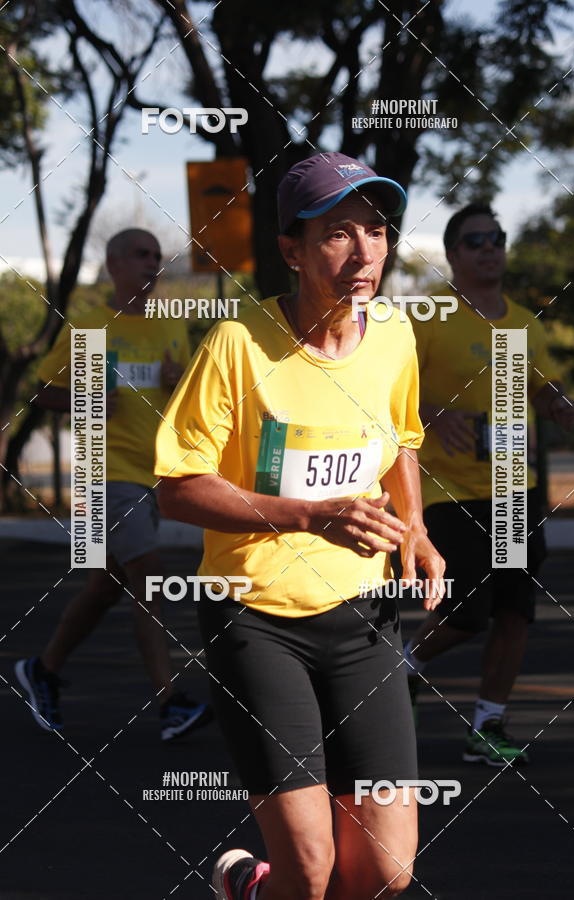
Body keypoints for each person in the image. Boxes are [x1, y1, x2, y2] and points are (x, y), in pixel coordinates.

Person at [154, 152, 446, 900]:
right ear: (292, 250)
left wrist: (412, 524)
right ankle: (259, 887)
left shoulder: (393, 336)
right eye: (338, 233)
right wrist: (310, 516)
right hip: (256, 619)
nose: (364, 252)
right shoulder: (237, 346)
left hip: (365, 620)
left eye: (376, 231)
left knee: (383, 873)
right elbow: (179, 489)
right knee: (312, 869)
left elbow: (401, 439)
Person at [15, 228, 212, 742]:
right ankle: (170, 702)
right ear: (114, 265)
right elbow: (42, 395)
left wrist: (177, 383)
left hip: (152, 474)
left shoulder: (171, 328)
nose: (152, 264)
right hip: (103, 474)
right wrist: (85, 400)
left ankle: (43, 669)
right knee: (149, 577)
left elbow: (186, 400)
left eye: (157, 257)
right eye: (141, 255)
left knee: (107, 586)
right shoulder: (88, 328)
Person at [404, 203, 574, 766]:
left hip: (512, 486)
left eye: (496, 239)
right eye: (475, 240)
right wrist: (434, 414)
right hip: (449, 488)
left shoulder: (523, 323)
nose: (489, 248)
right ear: (453, 256)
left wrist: (557, 406)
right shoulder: (430, 315)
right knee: (466, 610)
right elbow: (390, 389)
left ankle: (489, 724)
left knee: (513, 611)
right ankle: (403, 667)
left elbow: (540, 388)